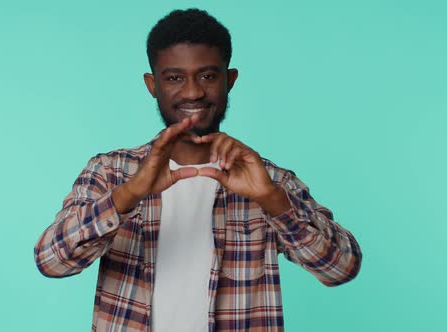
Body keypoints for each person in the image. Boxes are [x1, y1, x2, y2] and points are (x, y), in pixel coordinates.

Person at [34, 8, 361, 332]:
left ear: (229, 80)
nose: (192, 91)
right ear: (152, 84)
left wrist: (274, 201)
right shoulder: (110, 172)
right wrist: (128, 195)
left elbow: (341, 268)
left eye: (207, 76)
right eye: (174, 77)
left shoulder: (270, 181)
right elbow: (51, 261)